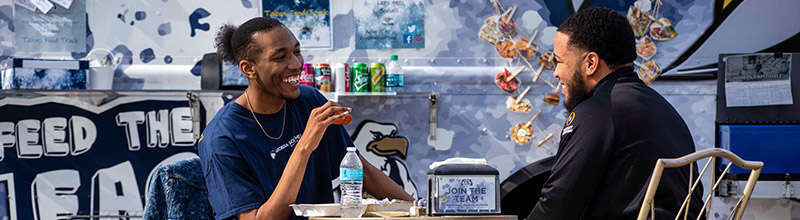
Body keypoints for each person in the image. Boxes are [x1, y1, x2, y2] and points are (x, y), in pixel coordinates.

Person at [199, 17, 413, 220]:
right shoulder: (223, 137)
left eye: (297, 52)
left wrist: (418, 209)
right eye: (280, 57)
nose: (295, 64)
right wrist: (304, 146)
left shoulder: (309, 100)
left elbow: (363, 171)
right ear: (248, 69)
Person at [526, 8, 704, 219]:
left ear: (590, 63)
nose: (555, 72)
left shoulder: (598, 110)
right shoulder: (661, 106)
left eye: (560, 61)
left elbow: (559, 201)